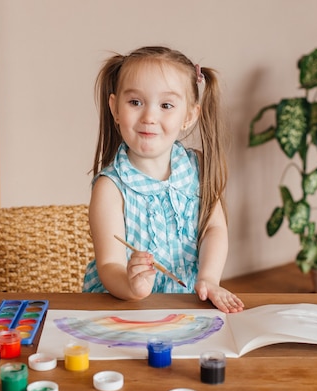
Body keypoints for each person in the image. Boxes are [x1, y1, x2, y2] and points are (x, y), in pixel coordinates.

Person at [83, 46, 244, 314]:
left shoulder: (200, 169)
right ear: (115, 108)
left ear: (189, 116)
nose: (149, 117)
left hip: (183, 305)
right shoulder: (109, 187)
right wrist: (131, 286)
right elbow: (109, 265)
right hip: (121, 308)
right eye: (135, 102)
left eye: (166, 105)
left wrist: (208, 279)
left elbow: (213, 230)